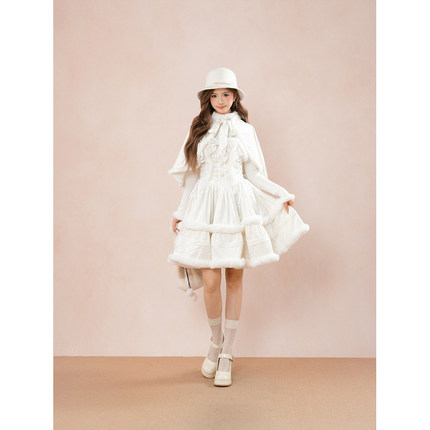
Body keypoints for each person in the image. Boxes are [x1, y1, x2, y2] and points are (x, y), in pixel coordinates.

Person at [167, 67, 310, 387]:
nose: (220, 100)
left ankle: (227, 353)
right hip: (206, 206)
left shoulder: (246, 130)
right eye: (215, 95)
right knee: (210, 279)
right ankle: (215, 342)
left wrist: (281, 194)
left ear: (235, 97)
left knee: (233, 277)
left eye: (226, 94)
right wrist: (181, 211)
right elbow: (192, 177)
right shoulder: (199, 130)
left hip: (236, 204)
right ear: (207, 99)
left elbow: (255, 175)